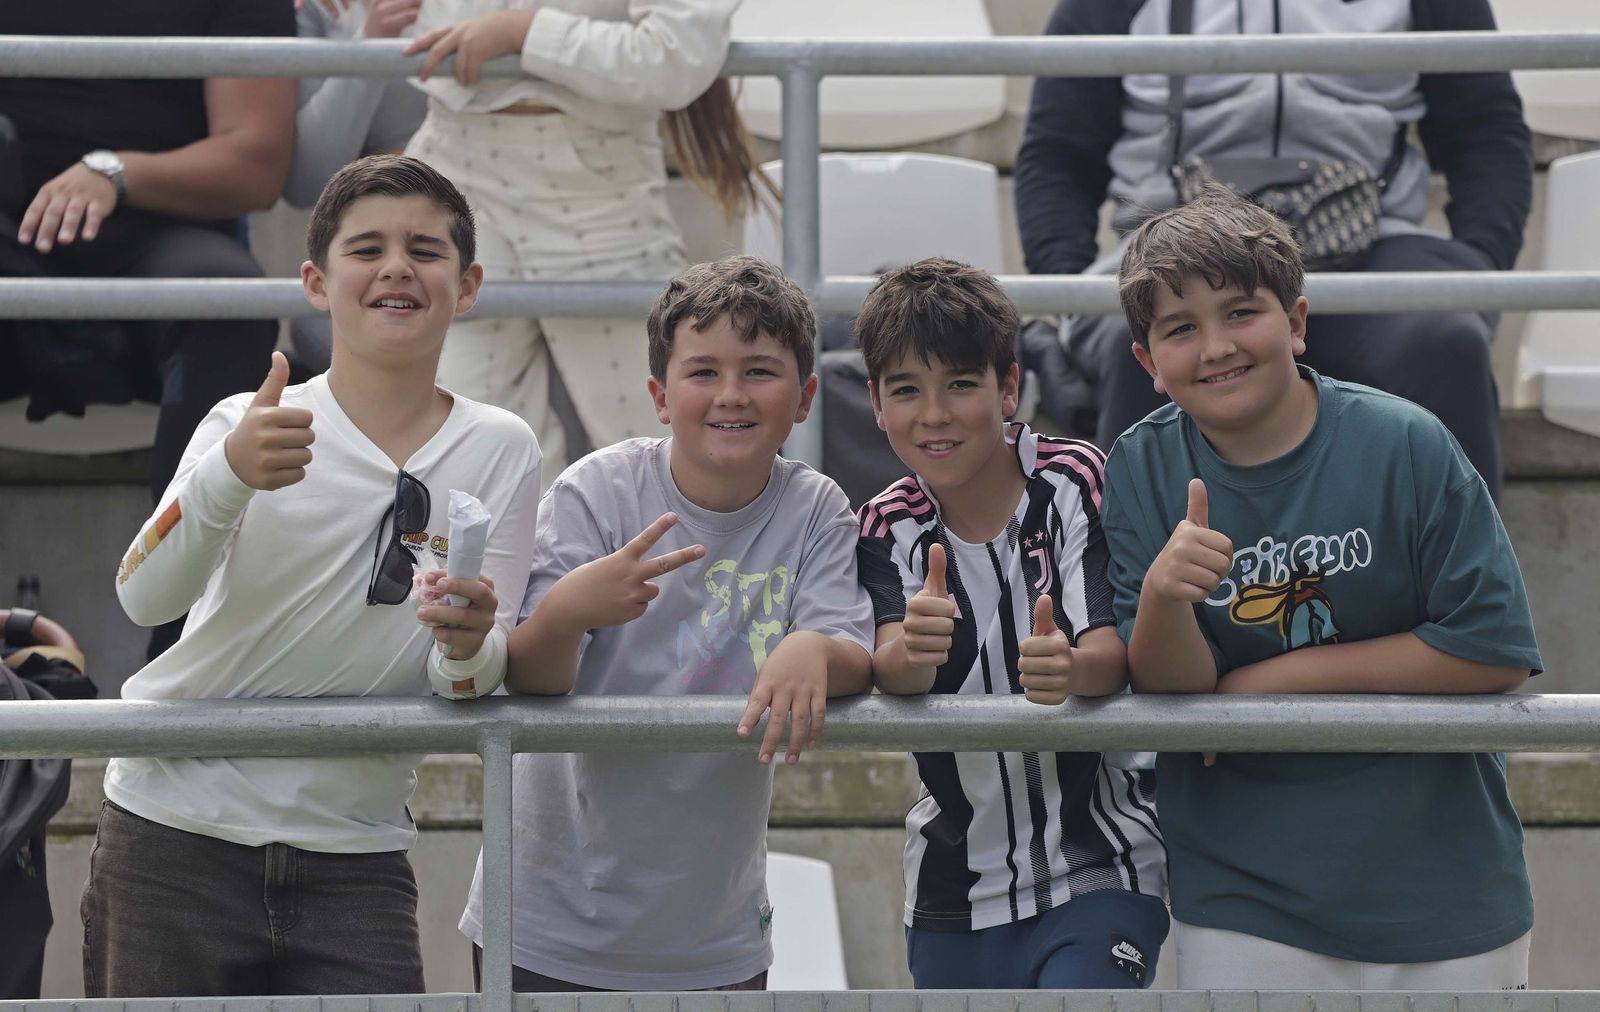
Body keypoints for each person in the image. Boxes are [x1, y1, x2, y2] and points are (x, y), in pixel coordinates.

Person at [87, 155, 542, 997]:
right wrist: (227, 475)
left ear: (469, 285)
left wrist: (469, 644)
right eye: (367, 249)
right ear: (315, 284)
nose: (397, 267)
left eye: (425, 250)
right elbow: (142, 594)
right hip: (172, 834)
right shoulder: (245, 419)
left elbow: (469, 683)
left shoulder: (503, 446)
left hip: (359, 853)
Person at [1102, 187, 1541, 989]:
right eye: (1180, 328)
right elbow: (1174, 697)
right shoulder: (1138, 467)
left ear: (1297, 322)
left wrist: (1274, 680)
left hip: (1447, 888)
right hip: (1244, 895)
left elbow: (1493, 649)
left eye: (1241, 312)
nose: (1216, 347)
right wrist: (1164, 598)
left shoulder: (1407, 442)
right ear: (1148, 364)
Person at [457, 255, 874, 992]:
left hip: (714, 935)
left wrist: (813, 646)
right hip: (542, 921)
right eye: (703, 371)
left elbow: (850, 650)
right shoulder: (595, 492)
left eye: (760, 371)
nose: (731, 395)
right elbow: (531, 680)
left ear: (806, 396)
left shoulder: (818, 510)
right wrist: (570, 611)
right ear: (659, 395)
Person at [1014, 0, 1532, 497]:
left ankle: (1463, 562)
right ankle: (1132, 560)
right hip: (1171, 248)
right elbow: (1059, 152)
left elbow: (1485, 129)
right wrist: (1069, 289)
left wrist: (1479, 266)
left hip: (1375, 241)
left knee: (1448, 342)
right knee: (1137, 345)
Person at [852, 258, 1167, 990]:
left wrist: (1070, 669)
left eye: (961, 384)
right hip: (952, 888)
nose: (935, 414)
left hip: (1099, 864)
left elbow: (1108, 654)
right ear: (876, 403)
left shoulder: (1073, 478)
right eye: (906, 390)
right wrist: (914, 651)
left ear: (1009, 387)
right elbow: (890, 668)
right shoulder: (885, 523)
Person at [399, 0, 773, 479]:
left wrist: (525, 31)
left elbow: (676, 54)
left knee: (656, 439)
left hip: (594, 177)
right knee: (470, 451)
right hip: (454, 159)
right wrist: (369, 24)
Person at [0, 3, 296, 509]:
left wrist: (115, 174)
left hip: (165, 228)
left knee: (227, 300)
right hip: (11, 234)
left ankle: (191, 554)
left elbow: (256, 163)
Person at [283, 0, 430, 376]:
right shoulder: (315, 11)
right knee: (322, 327)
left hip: (501, 231)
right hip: (390, 268)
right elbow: (308, 182)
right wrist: (370, 45)